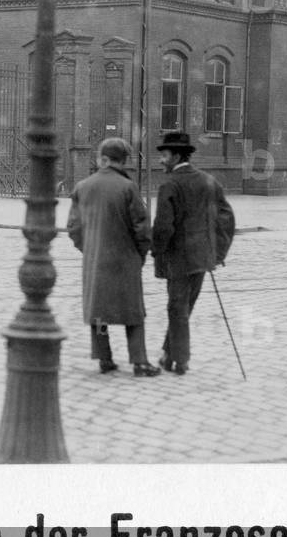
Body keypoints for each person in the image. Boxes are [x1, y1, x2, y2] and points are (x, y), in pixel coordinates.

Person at [67, 138, 160, 378]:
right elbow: (142, 228)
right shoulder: (128, 187)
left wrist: (90, 250)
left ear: (103, 159)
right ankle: (139, 361)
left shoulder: (82, 187)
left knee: (98, 313)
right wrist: (139, 256)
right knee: (133, 312)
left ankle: (104, 358)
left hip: (95, 262)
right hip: (125, 261)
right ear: (123, 161)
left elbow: (74, 228)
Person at [151, 131, 236, 375]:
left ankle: (180, 359)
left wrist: (156, 251)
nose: (161, 160)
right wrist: (217, 253)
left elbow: (163, 227)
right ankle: (168, 354)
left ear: (177, 157)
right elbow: (227, 219)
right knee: (184, 307)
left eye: (164, 155)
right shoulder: (209, 181)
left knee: (177, 308)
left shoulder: (169, 185)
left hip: (177, 259)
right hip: (202, 258)